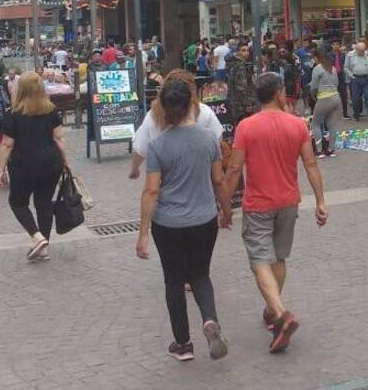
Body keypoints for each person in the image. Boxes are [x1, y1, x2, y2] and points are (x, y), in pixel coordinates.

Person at [225, 73, 329, 353]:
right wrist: (320, 201)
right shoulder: (296, 125)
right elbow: (310, 164)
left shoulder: (246, 127)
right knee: (279, 258)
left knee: (260, 260)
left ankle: (281, 314)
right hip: (288, 201)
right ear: (280, 94)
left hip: (258, 203)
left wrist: (224, 206)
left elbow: (234, 169)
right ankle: (272, 312)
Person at [134, 80, 233, 362]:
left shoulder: (158, 145)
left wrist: (142, 233)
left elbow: (151, 190)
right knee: (200, 274)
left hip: (168, 224)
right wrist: (226, 212)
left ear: (164, 109)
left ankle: (183, 343)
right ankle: (210, 319)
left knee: (173, 280)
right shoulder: (208, 139)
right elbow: (218, 180)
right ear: (192, 103)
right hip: (203, 219)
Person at [0, 71, 70, 261]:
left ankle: (36, 236)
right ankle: (43, 246)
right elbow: (59, 138)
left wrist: (1, 169)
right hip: (51, 162)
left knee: (18, 203)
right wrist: (66, 161)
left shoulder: (13, 114)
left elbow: (7, 144)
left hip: (23, 164)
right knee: (44, 203)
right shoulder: (50, 110)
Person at [129, 70, 225, 179]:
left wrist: (134, 169)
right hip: (200, 176)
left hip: (166, 179)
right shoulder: (204, 111)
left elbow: (141, 147)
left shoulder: (153, 115)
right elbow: (218, 140)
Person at [308, 50, 341, 158]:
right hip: (336, 97)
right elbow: (337, 83)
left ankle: (319, 150)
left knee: (315, 124)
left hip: (324, 98)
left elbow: (313, 86)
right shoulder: (333, 68)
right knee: (332, 124)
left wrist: (313, 96)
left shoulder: (317, 69)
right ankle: (331, 149)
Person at [345, 41, 368, 121]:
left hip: (366, 78)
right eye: (360, 51)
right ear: (356, 49)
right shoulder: (350, 55)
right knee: (356, 98)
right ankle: (356, 114)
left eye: (363, 50)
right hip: (355, 78)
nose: (362, 52)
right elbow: (346, 67)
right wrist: (351, 76)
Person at [227, 42, 260, 127]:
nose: (246, 53)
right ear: (238, 52)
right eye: (243, 50)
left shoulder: (234, 64)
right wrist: (248, 105)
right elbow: (242, 87)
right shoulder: (240, 66)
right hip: (241, 107)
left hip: (235, 104)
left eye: (247, 50)